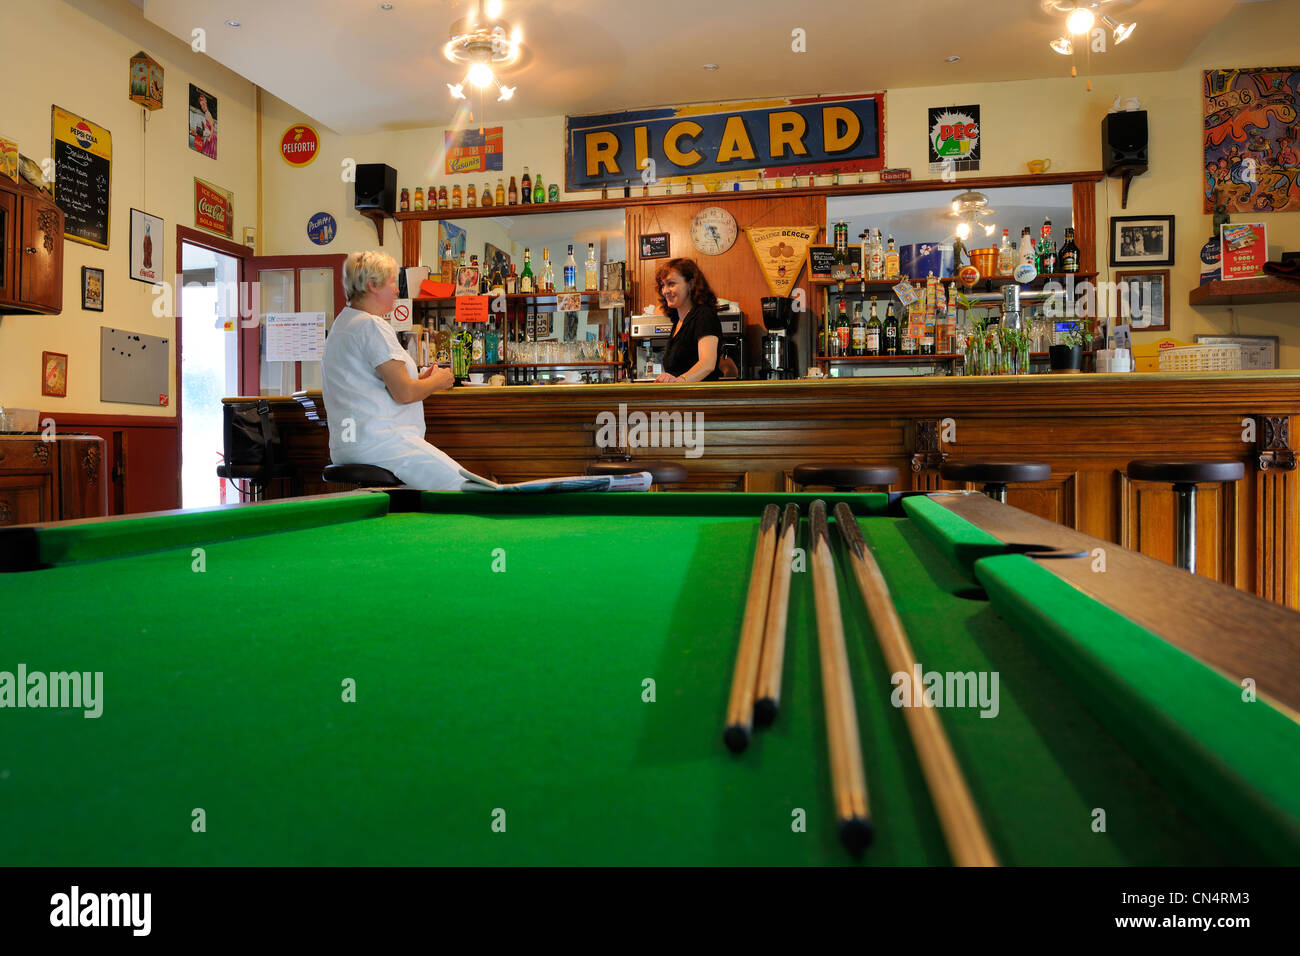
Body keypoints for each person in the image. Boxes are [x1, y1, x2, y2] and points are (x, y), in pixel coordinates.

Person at [322, 250, 464, 490]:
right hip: (382, 443)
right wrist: (438, 380)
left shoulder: (342, 324)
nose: (398, 290)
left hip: (346, 446)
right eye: (393, 282)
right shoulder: (371, 325)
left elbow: (370, 383)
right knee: (463, 485)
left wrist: (419, 379)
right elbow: (405, 393)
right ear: (372, 285)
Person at [654, 258, 722, 383]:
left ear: (691, 284)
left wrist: (679, 381)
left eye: (671, 284)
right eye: (663, 285)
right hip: (682, 398)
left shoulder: (704, 315)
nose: (665, 291)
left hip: (699, 398)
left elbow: (707, 363)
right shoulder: (678, 321)